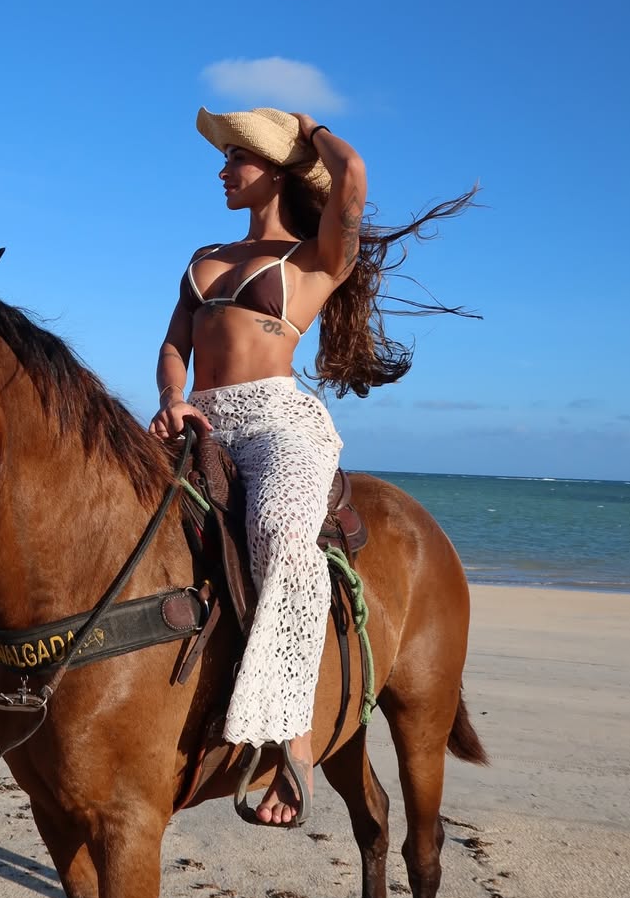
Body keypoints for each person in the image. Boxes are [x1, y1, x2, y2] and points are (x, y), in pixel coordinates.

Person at [150, 106, 473, 825]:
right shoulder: (203, 258)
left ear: (278, 170)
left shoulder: (317, 258)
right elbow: (175, 344)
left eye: (239, 157)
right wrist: (173, 397)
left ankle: (291, 744)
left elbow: (352, 176)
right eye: (227, 157)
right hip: (199, 415)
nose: (224, 170)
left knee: (277, 535)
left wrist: (307, 128)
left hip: (275, 424)